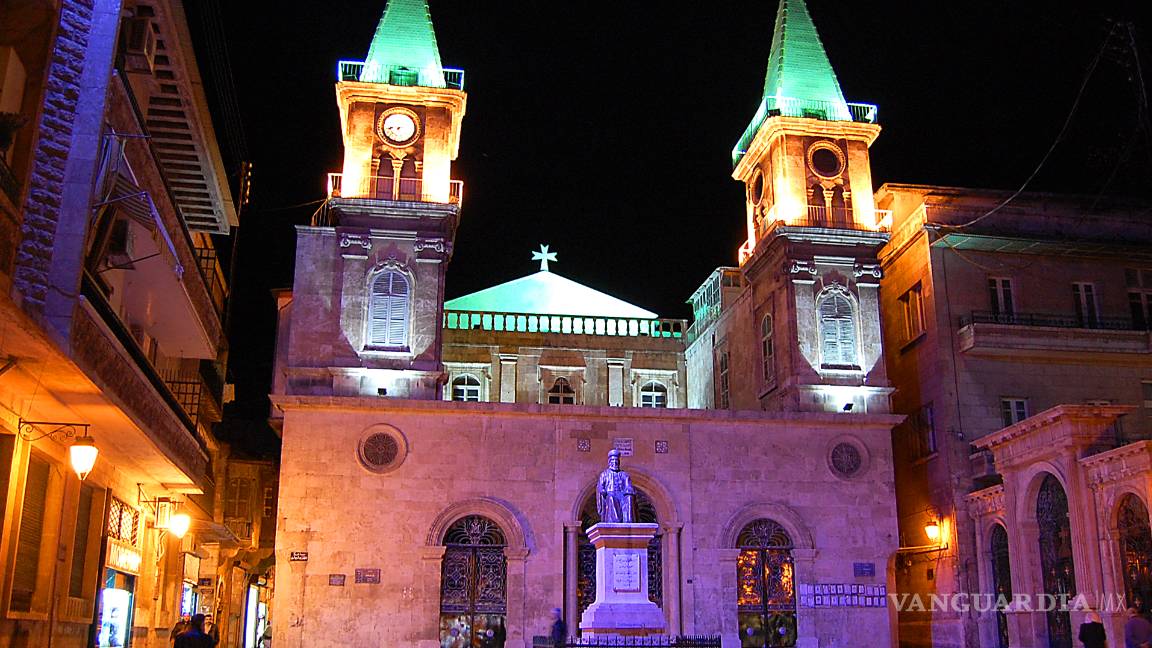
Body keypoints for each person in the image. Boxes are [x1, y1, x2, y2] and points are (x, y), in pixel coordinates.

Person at [596, 449, 634, 523]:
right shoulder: (604, 474)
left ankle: (628, 521)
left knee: (629, 498)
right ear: (609, 462)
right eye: (613, 460)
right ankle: (615, 522)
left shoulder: (624, 474)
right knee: (611, 497)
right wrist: (602, 490)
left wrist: (629, 490)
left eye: (616, 461)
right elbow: (600, 486)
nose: (615, 462)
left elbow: (628, 485)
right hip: (610, 494)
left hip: (622, 495)